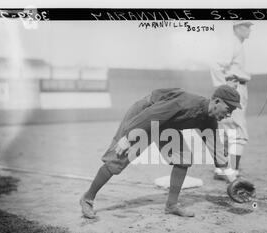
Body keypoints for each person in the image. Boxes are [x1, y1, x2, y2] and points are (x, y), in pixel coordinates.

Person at [80, 85, 241, 219]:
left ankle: (171, 205)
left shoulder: (210, 119)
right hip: (145, 114)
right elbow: (152, 115)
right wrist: (128, 137)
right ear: (217, 101)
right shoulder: (185, 103)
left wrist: (232, 179)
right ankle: (87, 198)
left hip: (166, 123)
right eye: (229, 109)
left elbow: (217, 149)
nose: (229, 115)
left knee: (183, 159)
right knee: (118, 160)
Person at [210, 21, 253, 181]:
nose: (249, 29)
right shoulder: (233, 44)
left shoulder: (236, 44)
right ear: (236, 28)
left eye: (249, 26)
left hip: (235, 88)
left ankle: (221, 170)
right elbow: (215, 65)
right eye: (245, 26)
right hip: (235, 89)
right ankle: (231, 171)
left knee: (227, 130)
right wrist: (224, 87)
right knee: (239, 131)